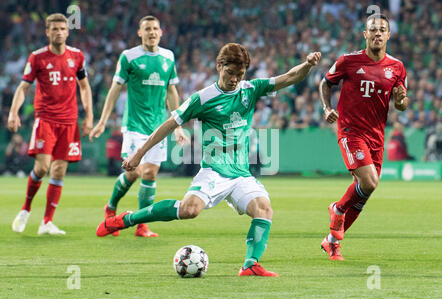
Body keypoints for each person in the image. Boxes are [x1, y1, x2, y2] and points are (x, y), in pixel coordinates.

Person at [96, 42, 321, 277]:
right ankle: (128, 219)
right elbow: (169, 124)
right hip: (214, 170)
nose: (234, 79)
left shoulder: (251, 89)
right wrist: (139, 153)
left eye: (240, 74)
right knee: (189, 210)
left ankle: (250, 264)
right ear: (218, 66)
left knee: (264, 209)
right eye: (230, 72)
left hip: (241, 174)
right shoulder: (203, 98)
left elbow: (289, 77)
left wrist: (307, 64)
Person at [318, 13, 408, 260]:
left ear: (388, 35)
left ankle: (332, 241)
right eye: (373, 29)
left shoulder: (397, 67)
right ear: (365, 34)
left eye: (382, 30)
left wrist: (401, 101)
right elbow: (325, 83)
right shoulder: (348, 61)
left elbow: (401, 102)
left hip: (376, 136)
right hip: (351, 131)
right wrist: (327, 108)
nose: (377, 33)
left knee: (364, 192)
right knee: (369, 182)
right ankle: (337, 208)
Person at [89, 15, 188, 238]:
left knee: (148, 174)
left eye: (155, 28)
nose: (152, 32)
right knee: (136, 172)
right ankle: (112, 207)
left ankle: (141, 225)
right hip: (134, 126)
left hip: (158, 127)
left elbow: (172, 91)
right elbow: (115, 89)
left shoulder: (168, 57)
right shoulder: (129, 57)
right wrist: (103, 120)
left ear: (161, 32)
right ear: (139, 32)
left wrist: (178, 124)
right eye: (147, 29)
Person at [8, 13, 93, 235]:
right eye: (54, 29)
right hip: (45, 119)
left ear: (67, 31)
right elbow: (24, 87)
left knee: (59, 171)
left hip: (69, 121)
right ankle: (26, 208)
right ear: (47, 32)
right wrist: (13, 112)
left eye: (62, 29)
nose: (59, 32)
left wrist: (90, 117)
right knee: (43, 167)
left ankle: (47, 222)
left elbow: (84, 87)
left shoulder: (77, 56)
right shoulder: (37, 57)